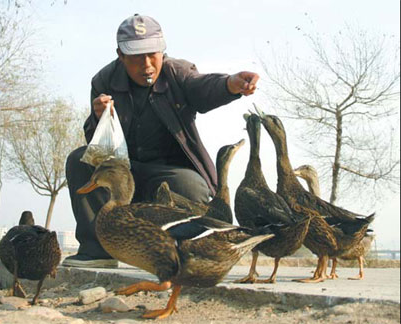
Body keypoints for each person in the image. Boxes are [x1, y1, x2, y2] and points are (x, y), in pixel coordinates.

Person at [62, 14, 259, 268]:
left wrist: (229, 85)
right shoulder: (104, 81)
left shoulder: (179, 73)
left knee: (192, 187)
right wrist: (98, 118)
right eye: (136, 56)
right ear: (120, 55)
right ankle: (97, 251)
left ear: (162, 52)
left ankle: (183, 257)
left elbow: (202, 87)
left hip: (169, 172)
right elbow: (96, 145)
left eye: (152, 55)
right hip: (124, 171)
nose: (147, 65)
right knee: (79, 160)